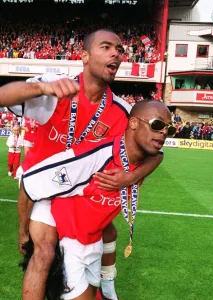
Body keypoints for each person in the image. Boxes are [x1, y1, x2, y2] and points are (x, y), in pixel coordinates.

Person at [0, 29, 163, 300]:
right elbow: (4, 96)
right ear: (84, 56)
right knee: (45, 251)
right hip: (43, 188)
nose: (116, 53)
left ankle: (105, 285)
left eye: (120, 50)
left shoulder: (121, 111)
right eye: (106, 47)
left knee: (98, 240)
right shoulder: (57, 86)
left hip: (79, 193)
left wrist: (131, 178)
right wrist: (41, 88)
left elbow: (156, 153)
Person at [21, 101, 174, 300]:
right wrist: (23, 231)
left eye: (169, 129)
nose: (163, 132)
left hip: (94, 243)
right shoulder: (92, 159)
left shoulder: (144, 158)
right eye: (157, 125)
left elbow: (159, 156)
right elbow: (30, 182)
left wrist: (130, 177)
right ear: (134, 123)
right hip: (69, 244)